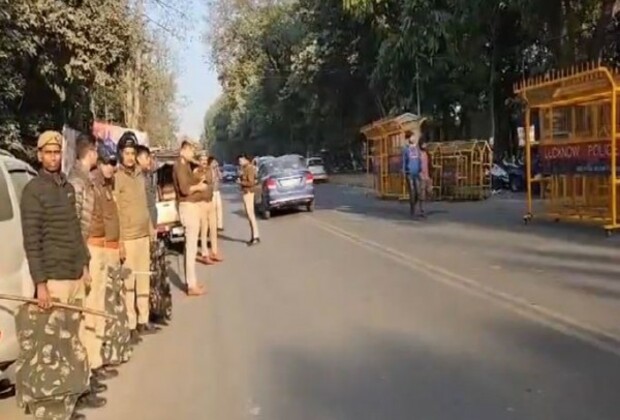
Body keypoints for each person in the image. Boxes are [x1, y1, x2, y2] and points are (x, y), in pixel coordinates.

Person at [17, 130, 103, 420]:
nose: (53, 157)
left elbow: (75, 231)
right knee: (54, 347)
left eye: (57, 152)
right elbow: (32, 242)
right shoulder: (33, 192)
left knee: (73, 340)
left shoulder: (66, 186)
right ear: (39, 155)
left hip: (74, 275)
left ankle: (73, 397)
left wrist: (85, 265)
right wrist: (41, 285)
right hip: (53, 278)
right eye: (48, 153)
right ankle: (54, 408)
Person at [67, 133, 117, 393]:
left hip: (94, 248)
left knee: (96, 306)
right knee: (88, 309)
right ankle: (86, 369)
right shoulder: (77, 182)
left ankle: (94, 363)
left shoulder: (86, 180)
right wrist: (83, 261)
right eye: (97, 152)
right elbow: (75, 225)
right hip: (86, 249)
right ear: (90, 152)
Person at [114, 131, 158, 341]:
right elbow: (116, 212)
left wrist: (151, 229)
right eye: (127, 153)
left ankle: (143, 320)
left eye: (133, 153)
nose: (130, 157)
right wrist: (120, 242)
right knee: (129, 283)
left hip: (142, 236)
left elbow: (144, 204)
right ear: (120, 154)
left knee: (144, 280)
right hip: (128, 239)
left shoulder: (141, 174)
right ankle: (130, 325)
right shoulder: (117, 178)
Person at [92, 145, 134, 366]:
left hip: (111, 248)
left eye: (113, 163)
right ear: (99, 163)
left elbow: (114, 218)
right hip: (99, 249)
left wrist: (120, 245)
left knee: (111, 301)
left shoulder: (108, 185)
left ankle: (109, 348)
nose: (111, 167)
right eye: (108, 163)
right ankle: (98, 357)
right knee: (100, 303)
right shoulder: (94, 185)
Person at [173, 140, 208, 296]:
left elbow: (189, 182)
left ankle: (192, 281)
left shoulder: (185, 165)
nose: (193, 155)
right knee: (191, 246)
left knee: (192, 247)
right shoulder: (179, 166)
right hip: (186, 206)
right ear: (183, 150)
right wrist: (199, 187)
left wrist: (199, 175)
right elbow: (185, 189)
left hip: (190, 207)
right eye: (191, 151)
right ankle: (190, 284)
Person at [195, 152, 223, 264]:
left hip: (210, 200)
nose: (204, 162)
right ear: (199, 161)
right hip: (201, 202)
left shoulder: (210, 170)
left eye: (205, 160)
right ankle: (204, 253)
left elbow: (212, 182)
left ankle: (214, 251)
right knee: (204, 229)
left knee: (213, 227)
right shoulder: (196, 172)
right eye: (202, 159)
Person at [237, 154, 260, 246]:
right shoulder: (245, 168)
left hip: (249, 192)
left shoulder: (249, 168)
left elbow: (251, 182)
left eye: (241, 160)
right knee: (250, 215)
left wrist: (241, 182)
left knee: (251, 215)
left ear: (246, 159)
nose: (239, 162)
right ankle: (255, 235)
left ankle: (255, 236)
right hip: (247, 192)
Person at [136, 145, 158, 234]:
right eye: (147, 158)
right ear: (138, 158)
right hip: (143, 226)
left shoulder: (147, 175)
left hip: (150, 223)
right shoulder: (137, 178)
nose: (149, 161)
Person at [402, 131, 424, 218]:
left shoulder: (417, 149)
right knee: (412, 192)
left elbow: (419, 160)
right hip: (409, 173)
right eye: (412, 137)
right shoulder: (406, 149)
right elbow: (404, 161)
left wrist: (421, 169)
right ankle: (413, 211)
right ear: (408, 138)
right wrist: (404, 172)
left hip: (417, 173)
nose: (413, 138)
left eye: (414, 137)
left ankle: (419, 209)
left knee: (418, 192)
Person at [209, 156, 224, 232]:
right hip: (212, 192)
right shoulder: (209, 170)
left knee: (219, 208)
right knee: (213, 209)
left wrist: (217, 170)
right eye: (214, 163)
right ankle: (213, 225)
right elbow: (211, 180)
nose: (216, 164)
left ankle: (219, 225)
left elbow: (221, 177)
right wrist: (213, 171)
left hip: (217, 191)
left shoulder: (216, 170)